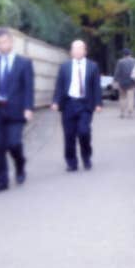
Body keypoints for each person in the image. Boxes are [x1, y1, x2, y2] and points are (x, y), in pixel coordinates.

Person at [0, 28, 35, 193]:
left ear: (11, 42)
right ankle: (1, 181)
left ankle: (20, 164)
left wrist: (28, 108)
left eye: (4, 42)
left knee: (14, 143)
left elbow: (28, 88)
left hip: (16, 111)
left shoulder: (24, 63)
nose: (2, 46)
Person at [50, 39, 102, 171]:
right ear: (71, 52)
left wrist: (98, 103)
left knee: (84, 132)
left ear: (85, 51)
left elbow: (96, 87)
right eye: (75, 49)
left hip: (85, 104)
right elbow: (59, 86)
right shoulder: (64, 67)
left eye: (80, 48)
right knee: (69, 135)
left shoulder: (93, 66)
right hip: (68, 104)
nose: (77, 51)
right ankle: (71, 162)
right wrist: (56, 101)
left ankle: (86, 157)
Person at [113, 47, 135, 118]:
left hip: (122, 83)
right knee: (131, 97)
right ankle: (130, 112)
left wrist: (115, 80)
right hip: (132, 82)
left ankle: (122, 113)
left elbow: (117, 72)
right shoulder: (134, 61)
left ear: (123, 54)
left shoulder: (120, 62)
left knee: (122, 97)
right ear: (130, 54)